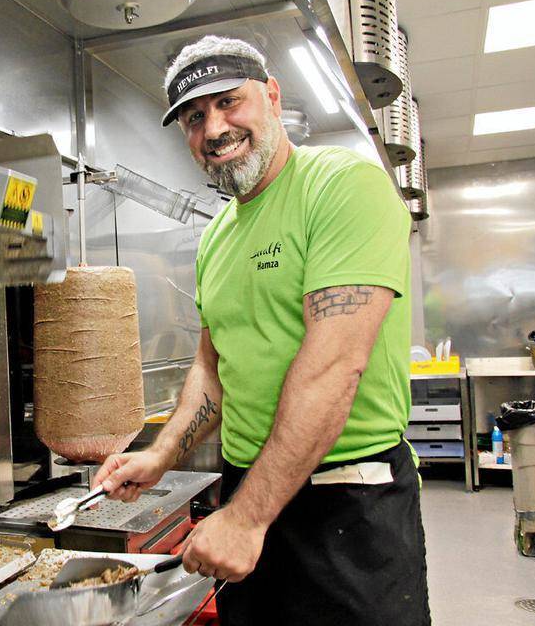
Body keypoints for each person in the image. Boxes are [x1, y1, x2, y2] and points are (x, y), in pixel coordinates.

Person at [92, 35, 430, 625]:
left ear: (272, 96)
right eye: (194, 117)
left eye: (228, 102)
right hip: (247, 488)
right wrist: (161, 455)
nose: (214, 128)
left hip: (346, 501)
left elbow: (333, 366)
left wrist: (248, 518)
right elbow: (212, 367)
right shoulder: (217, 237)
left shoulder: (343, 185)